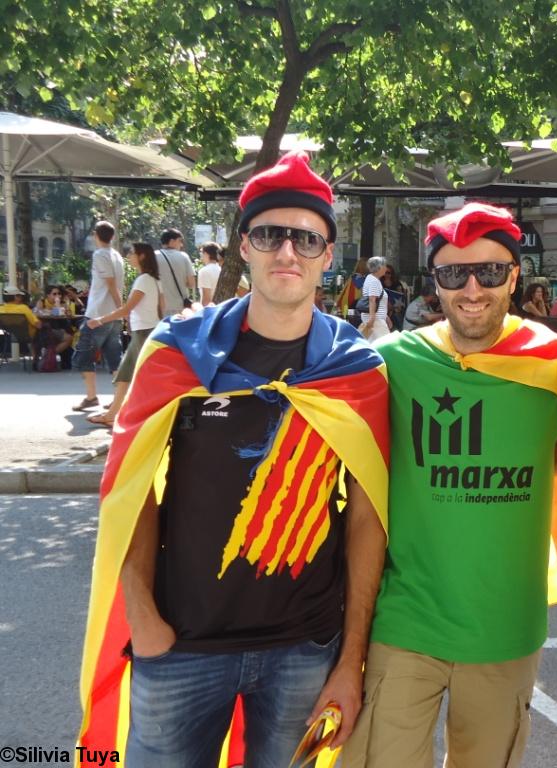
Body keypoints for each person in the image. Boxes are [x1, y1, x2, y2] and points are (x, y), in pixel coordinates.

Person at [77, 150, 390, 767]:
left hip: (305, 649)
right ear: (244, 245)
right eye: (270, 235)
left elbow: (367, 517)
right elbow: (130, 488)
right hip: (180, 646)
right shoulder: (176, 351)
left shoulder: (357, 372)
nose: (287, 252)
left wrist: (350, 658)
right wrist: (143, 618)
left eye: (307, 238)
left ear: (328, 256)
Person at [345, 202, 557, 768]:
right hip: (405, 620)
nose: (472, 289)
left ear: (514, 277)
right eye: (453, 273)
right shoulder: (390, 363)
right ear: (434, 282)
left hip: (506, 627)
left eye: (489, 272)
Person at [84, 243, 165, 428]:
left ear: (142, 256)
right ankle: (114, 414)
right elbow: (162, 307)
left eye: (131, 253)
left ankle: (114, 415)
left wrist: (100, 320)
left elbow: (126, 309)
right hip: (149, 330)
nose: (128, 256)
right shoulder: (154, 280)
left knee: (127, 374)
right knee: (127, 374)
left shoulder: (143, 280)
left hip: (143, 332)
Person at [71, 221, 125, 412]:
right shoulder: (117, 255)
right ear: (112, 236)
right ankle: (118, 399)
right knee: (114, 357)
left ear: (96, 235)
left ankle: (91, 396)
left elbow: (110, 283)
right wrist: (120, 311)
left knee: (84, 355)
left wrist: (120, 308)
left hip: (98, 313)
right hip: (113, 315)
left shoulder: (100, 254)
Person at [156, 228, 197, 317]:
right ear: (171, 241)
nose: (181, 245)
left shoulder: (153, 256)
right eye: (180, 241)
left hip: (158, 307)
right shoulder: (184, 256)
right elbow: (192, 283)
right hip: (180, 307)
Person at [33, 285, 75, 363]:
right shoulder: (42, 302)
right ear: (48, 295)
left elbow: (69, 314)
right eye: (54, 294)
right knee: (68, 337)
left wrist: (62, 308)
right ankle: (49, 356)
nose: (57, 296)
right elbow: (37, 312)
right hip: (45, 329)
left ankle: (48, 356)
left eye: (59, 294)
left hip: (59, 327)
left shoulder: (63, 303)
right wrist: (51, 310)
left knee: (69, 336)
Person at [359, 256, 389, 341]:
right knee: (383, 344)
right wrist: (372, 318)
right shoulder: (373, 281)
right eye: (385, 266)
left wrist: (386, 317)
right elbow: (372, 300)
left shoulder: (372, 279)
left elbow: (377, 301)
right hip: (376, 321)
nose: (386, 268)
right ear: (380, 267)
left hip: (376, 320)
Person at [381, 264, 408, 329]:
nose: (386, 274)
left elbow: (401, 295)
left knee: (397, 315)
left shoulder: (396, 283)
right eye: (385, 272)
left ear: (392, 274)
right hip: (383, 306)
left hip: (395, 307)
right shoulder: (380, 282)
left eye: (388, 273)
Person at [197, 242, 222, 306]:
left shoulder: (204, 271)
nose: (200, 255)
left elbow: (206, 300)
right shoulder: (221, 270)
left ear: (206, 254)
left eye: (201, 252)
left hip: (211, 309)